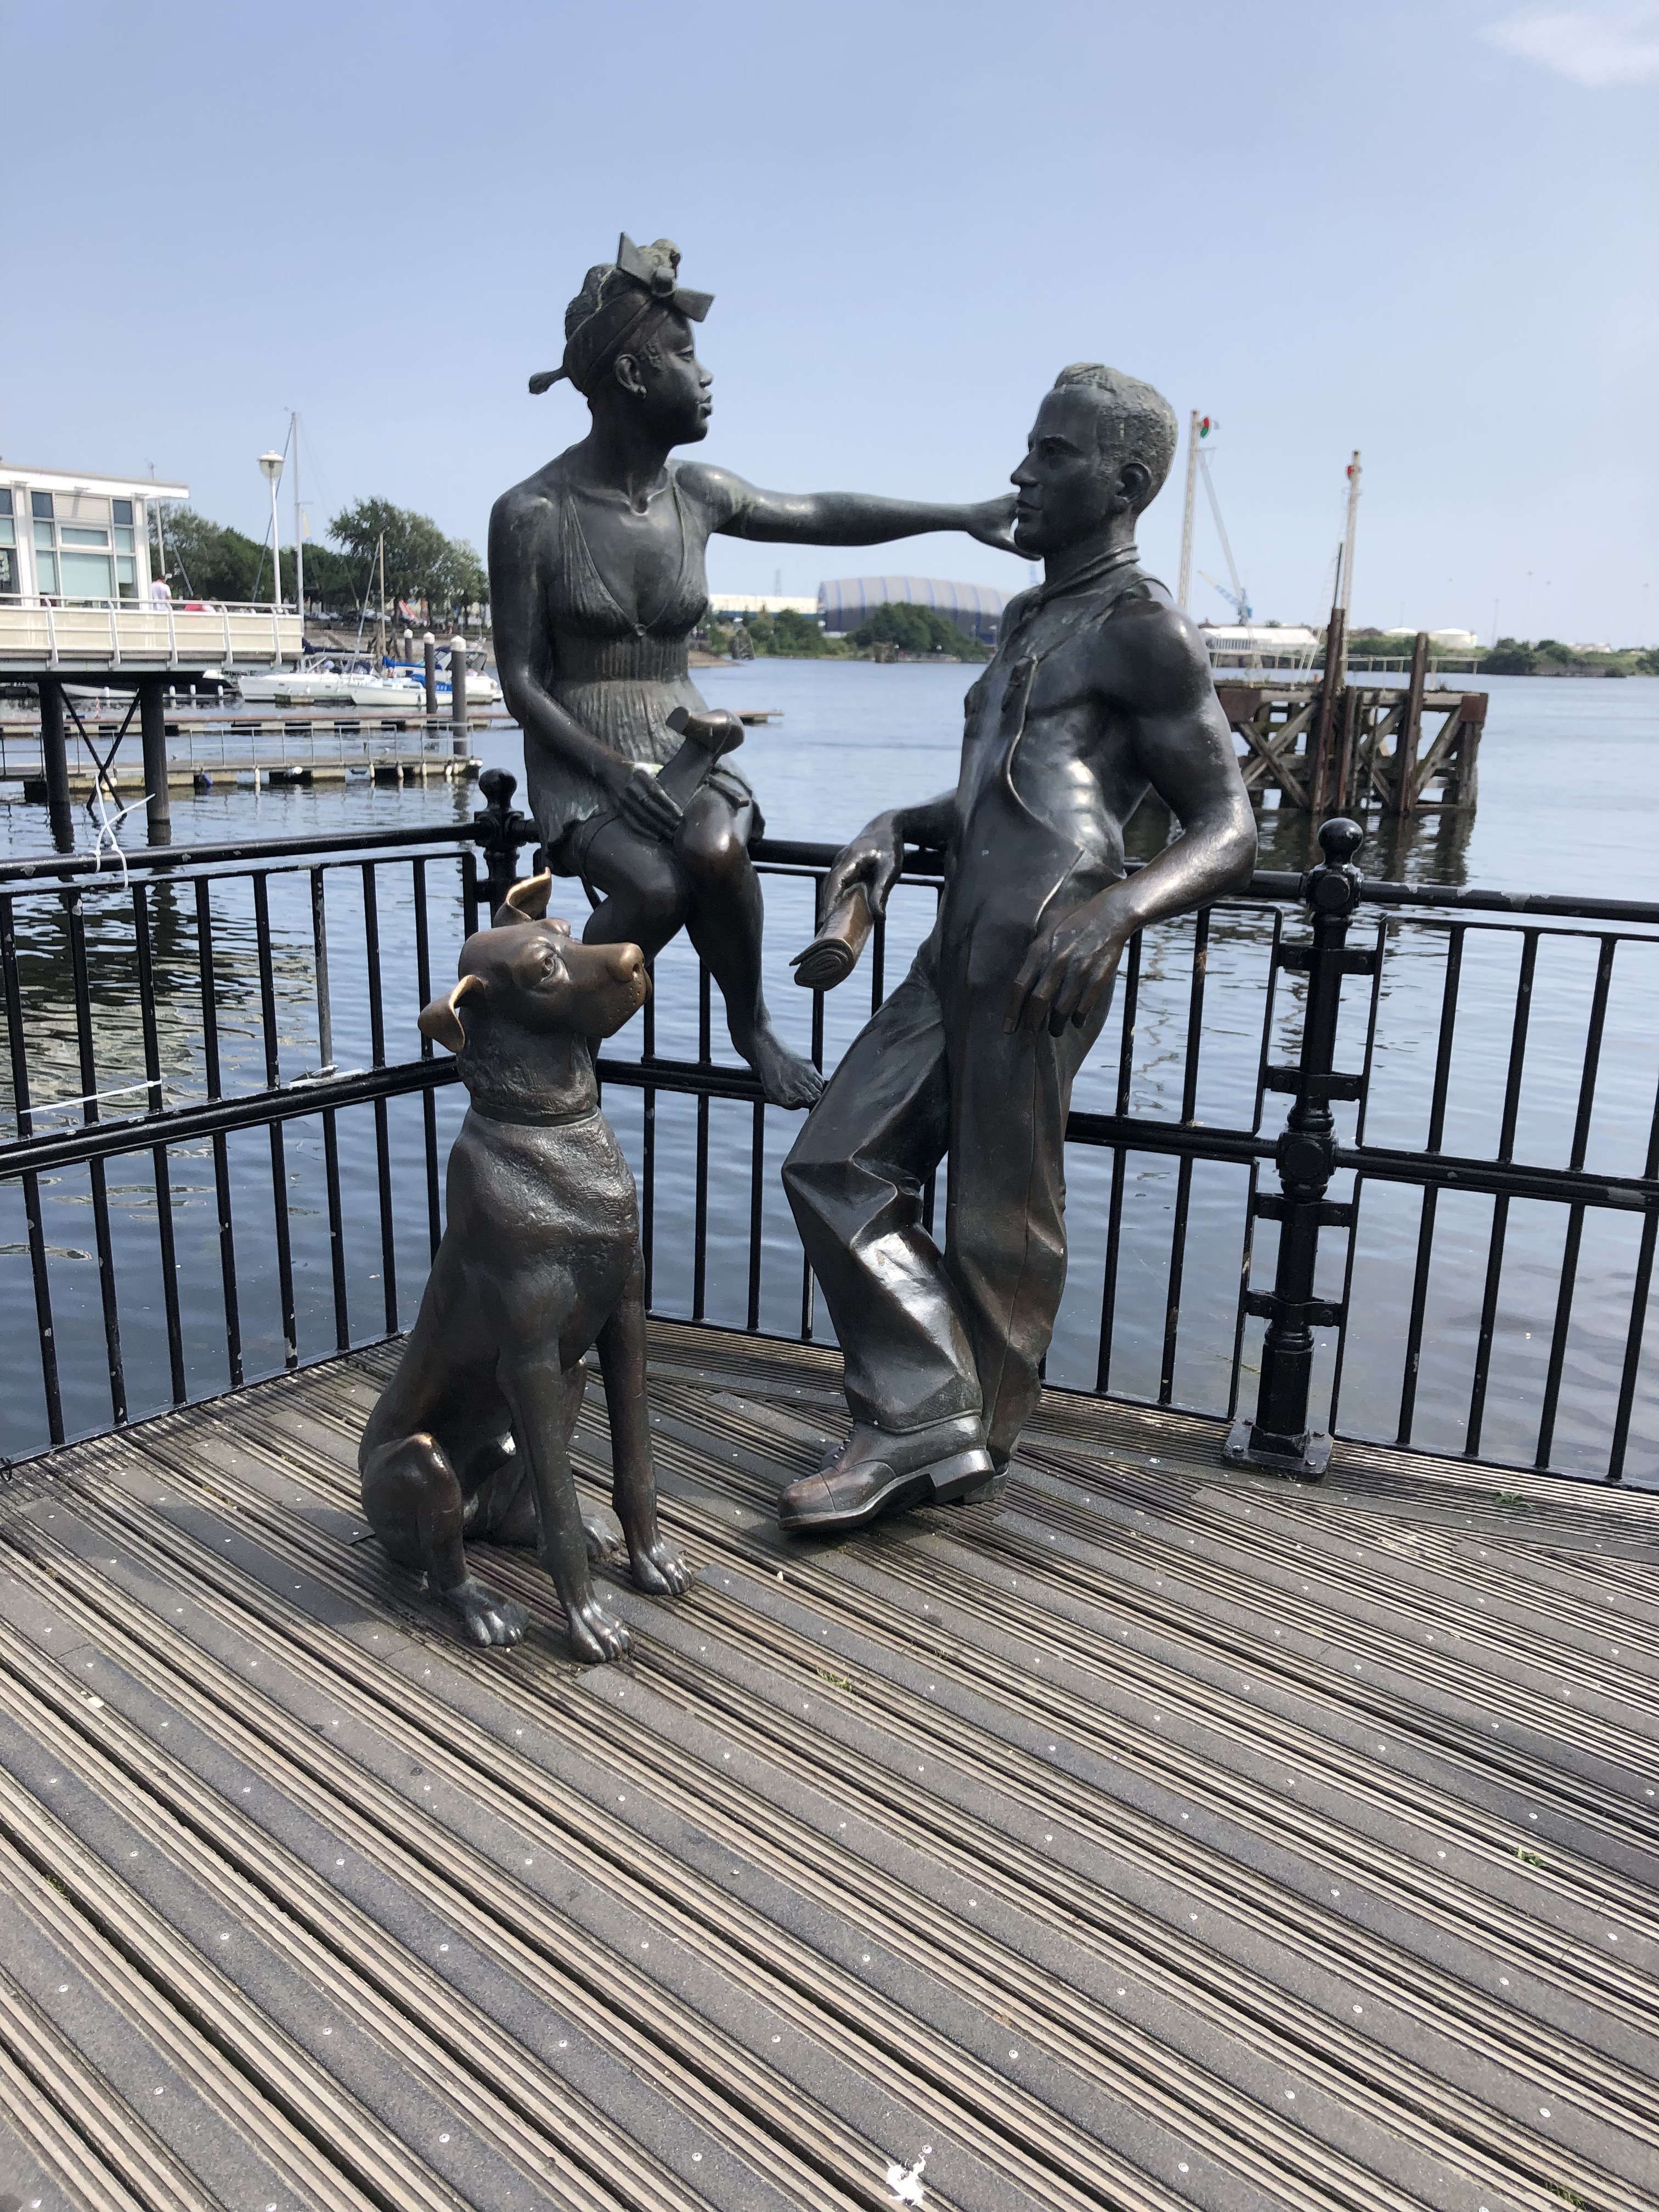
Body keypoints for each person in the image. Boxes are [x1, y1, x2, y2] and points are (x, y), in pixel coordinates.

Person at [777, 364, 1257, 1533]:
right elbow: (1005, 792)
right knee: (835, 1161)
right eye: (1031, 449)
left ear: (1124, 483)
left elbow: (1230, 827)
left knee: (1004, 1212)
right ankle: (933, 1419)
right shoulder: (1031, 619)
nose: (1020, 475)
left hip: (1049, 942)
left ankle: (945, 1435)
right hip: (960, 938)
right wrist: (899, 825)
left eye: (1053, 454)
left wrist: (1116, 913)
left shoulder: (1146, 629)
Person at [489, 234, 1015, 1109]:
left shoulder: (697, 494)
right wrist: (611, 772)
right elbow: (521, 682)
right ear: (631, 375)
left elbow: (819, 514)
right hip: (582, 757)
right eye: (685, 355)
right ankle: (553, 1034)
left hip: (685, 738)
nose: (706, 377)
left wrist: (959, 516)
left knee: (716, 849)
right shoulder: (531, 513)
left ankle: (751, 1026)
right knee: (654, 888)